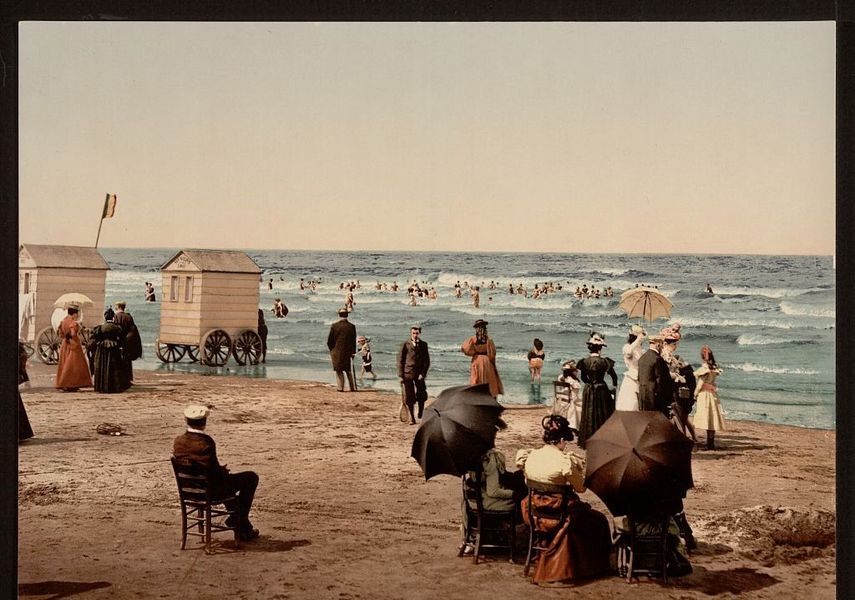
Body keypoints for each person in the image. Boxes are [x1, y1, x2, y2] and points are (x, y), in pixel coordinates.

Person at [515, 415, 612, 586]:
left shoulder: (531, 456)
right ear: (560, 440)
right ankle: (586, 567)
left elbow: (526, 480)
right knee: (597, 520)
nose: (565, 445)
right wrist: (579, 467)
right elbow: (581, 488)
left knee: (580, 514)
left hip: (533, 512)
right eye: (564, 442)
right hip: (556, 514)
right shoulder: (563, 461)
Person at [173, 405, 260, 541]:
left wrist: (219, 471)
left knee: (231, 490)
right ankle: (239, 520)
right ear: (204, 423)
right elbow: (213, 474)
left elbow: (202, 466)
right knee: (251, 477)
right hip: (209, 491)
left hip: (189, 490)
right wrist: (223, 471)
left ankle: (242, 526)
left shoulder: (178, 441)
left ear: (186, 420)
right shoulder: (206, 442)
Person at [459, 419, 527, 555]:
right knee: (520, 499)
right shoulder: (490, 459)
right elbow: (493, 491)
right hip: (485, 502)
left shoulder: (470, 455)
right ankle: (509, 539)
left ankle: (478, 536)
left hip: (471, 503)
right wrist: (513, 494)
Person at [576, 333, 618, 449]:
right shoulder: (605, 362)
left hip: (589, 389)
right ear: (600, 348)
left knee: (589, 413)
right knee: (602, 413)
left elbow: (583, 378)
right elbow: (614, 377)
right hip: (601, 388)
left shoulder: (584, 362)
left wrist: (590, 383)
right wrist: (613, 387)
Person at [89, 309, 130, 393]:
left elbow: (95, 338)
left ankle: (101, 386)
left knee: (102, 366)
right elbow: (122, 339)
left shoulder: (100, 327)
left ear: (105, 317)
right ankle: (113, 386)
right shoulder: (117, 328)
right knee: (113, 367)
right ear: (113, 317)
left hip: (102, 348)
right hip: (114, 348)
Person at [461, 319, 503, 399]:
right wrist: (493, 363)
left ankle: (477, 398)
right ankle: (490, 398)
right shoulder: (489, 340)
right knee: (490, 380)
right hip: (487, 361)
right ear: (485, 328)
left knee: (476, 379)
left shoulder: (473, 339)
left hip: (477, 360)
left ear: (476, 329)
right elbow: (492, 353)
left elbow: (466, 349)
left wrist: (473, 353)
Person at [693, 345, 725, 450]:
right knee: (712, 417)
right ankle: (710, 442)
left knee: (706, 418)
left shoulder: (704, 369)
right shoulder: (714, 367)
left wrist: (695, 393)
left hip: (704, 394)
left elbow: (700, 383)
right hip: (712, 394)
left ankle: (708, 444)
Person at [55, 304, 92, 391]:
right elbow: (73, 334)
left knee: (65, 363)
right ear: (74, 314)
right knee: (74, 364)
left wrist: (66, 336)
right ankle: (72, 383)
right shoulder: (73, 322)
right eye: (77, 313)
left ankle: (63, 382)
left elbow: (60, 334)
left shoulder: (63, 321)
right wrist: (75, 331)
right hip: (73, 344)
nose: (78, 315)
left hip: (65, 344)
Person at [398, 325, 430, 424]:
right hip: (408, 373)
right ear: (410, 333)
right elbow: (400, 360)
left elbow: (426, 361)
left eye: (417, 333)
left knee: (422, 395)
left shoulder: (424, 345)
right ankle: (412, 417)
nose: (415, 335)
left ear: (419, 333)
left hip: (419, 374)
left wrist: (423, 374)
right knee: (410, 397)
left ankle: (420, 411)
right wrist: (400, 375)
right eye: (413, 333)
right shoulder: (405, 345)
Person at [637, 332, 674, 416]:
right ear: (658, 344)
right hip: (654, 396)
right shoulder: (657, 359)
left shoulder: (642, 358)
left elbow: (639, 377)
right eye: (661, 345)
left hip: (643, 394)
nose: (662, 347)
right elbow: (661, 380)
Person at [615, 324, 646, 411]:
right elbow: (628, 353)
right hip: (631, 378)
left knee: (637, 404)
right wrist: (637, 340)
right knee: (630, 403)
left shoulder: (641, 350)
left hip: (640, 379)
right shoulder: (627, 347)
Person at [327, 307, 357, 392]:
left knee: (339, 370)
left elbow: (329, 341)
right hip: (348, 351)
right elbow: (353, 341)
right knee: (348, 370)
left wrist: (332, 350)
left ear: (339, 315)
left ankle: (340, 388)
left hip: (336, 351)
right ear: (347, 315)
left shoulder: (334, 326)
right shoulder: (351, 326)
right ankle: (352, 388)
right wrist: (353, 352)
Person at [112, 301, 142, 384]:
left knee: (118, 360)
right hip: (127, 342)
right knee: (127, 362)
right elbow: (133, 331)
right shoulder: (128, 317)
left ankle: (119, 379)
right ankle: (128, 379)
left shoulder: (116, 316)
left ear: (117, 307)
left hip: (119, 341)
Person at [553, 360, 582, 430]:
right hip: (570, 400)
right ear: (572, 372)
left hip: (561, 399)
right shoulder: (573, 382)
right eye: (575, 370)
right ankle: (578, 426)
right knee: (582, 406)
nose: (577, 372)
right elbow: (575, 398)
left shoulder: (561, 377)